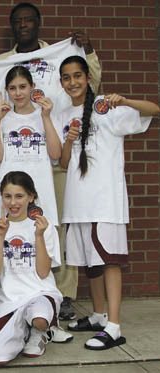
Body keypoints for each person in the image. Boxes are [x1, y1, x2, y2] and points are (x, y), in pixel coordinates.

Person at [0, 2, 102, 321]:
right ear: (12, 27)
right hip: (13, 170)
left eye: (29, 20)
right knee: (9, 227)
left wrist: (89, 52)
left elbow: (86, 82)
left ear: (39, 24)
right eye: (18, 21)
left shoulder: (60, 55)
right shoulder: (3, 63)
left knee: (54, 225)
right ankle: (6, 291)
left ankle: (61, 293)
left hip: (51, 157)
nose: (23, 24)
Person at [58, 55, 159, 350]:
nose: (73, 82)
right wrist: (68, 140)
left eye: (78, 75)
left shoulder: (108, 106)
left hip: (105, 201)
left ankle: (114, 326)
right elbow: (64, 162)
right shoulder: (63, 114)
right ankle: (99, 316)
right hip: (78, 202)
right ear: (61, 82)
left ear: (88, 77)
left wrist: (125, 101)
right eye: (66, 77)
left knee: (110, 261)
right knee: (92, 264)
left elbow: (155, 110)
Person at [0, 171, 62, 364]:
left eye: (19, 196)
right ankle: (21, 330)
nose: (13, 203)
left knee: (39, 318)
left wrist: (38, 236)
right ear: (1, 197)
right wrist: (0, 237)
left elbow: (43, 272)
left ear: (31, 196)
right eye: (7, 196)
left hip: (40, 293)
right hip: (10, 300)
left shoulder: (45, 226)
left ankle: (40, 331)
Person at [0, 65, 61, 224]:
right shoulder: (2, 118)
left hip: (40, 187)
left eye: (23, 87)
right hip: (9, 193)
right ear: (7, 90)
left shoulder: (45, 114)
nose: (18, 93)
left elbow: (56, 154)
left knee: (42, 240)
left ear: (32, 87)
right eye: (12, 88)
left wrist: (46, 117)